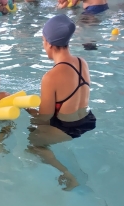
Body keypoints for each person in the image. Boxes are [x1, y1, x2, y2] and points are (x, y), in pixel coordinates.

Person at [25, 14, 96, 190]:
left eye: (43, 41)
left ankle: (68, 174)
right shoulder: (82, 62)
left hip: (68, 128)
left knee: (33, 140)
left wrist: (28, 110)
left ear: (48, 43)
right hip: (88, 120)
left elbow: (44, 118)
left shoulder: (50, 77)